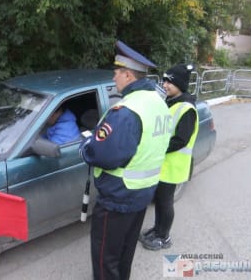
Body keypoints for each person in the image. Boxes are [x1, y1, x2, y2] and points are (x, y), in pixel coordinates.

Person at [79, 40, 171, 280]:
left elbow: (103, 155)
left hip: (118, 198)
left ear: (128, 75)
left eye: (116, 74)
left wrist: (86, 147)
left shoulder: (128, 110)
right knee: (124, 254)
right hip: (142, 194)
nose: (113, 79)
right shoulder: (158, 103)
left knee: (104, 259)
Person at [139, 64, 199, 251]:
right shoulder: (171, 102)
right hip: (163, 164)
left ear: (179, 84)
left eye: (169, 82)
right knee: (160, 200)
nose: (164, 85)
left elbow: (181, 140)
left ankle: (163, 237)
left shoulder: (186, 108)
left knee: (165, 203)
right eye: (164, 81)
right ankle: (157, 230)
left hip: (173, 166)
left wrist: (157, 148)